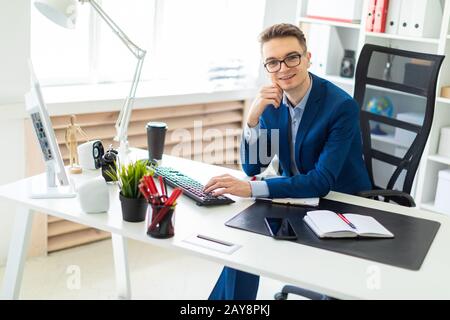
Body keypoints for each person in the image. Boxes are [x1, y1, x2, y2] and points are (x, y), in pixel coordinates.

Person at [204, 23, 372, 300]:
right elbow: (253, 168)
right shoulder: (272, 101)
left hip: (340, 203)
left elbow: (321, 182)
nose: (283, 68)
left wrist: (251, 189)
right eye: (272, 62)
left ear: (307, 58)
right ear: (266, 67)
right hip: (294, 197)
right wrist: (252, 118)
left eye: (291, 57)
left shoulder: (340, 106)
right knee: (241, 245)